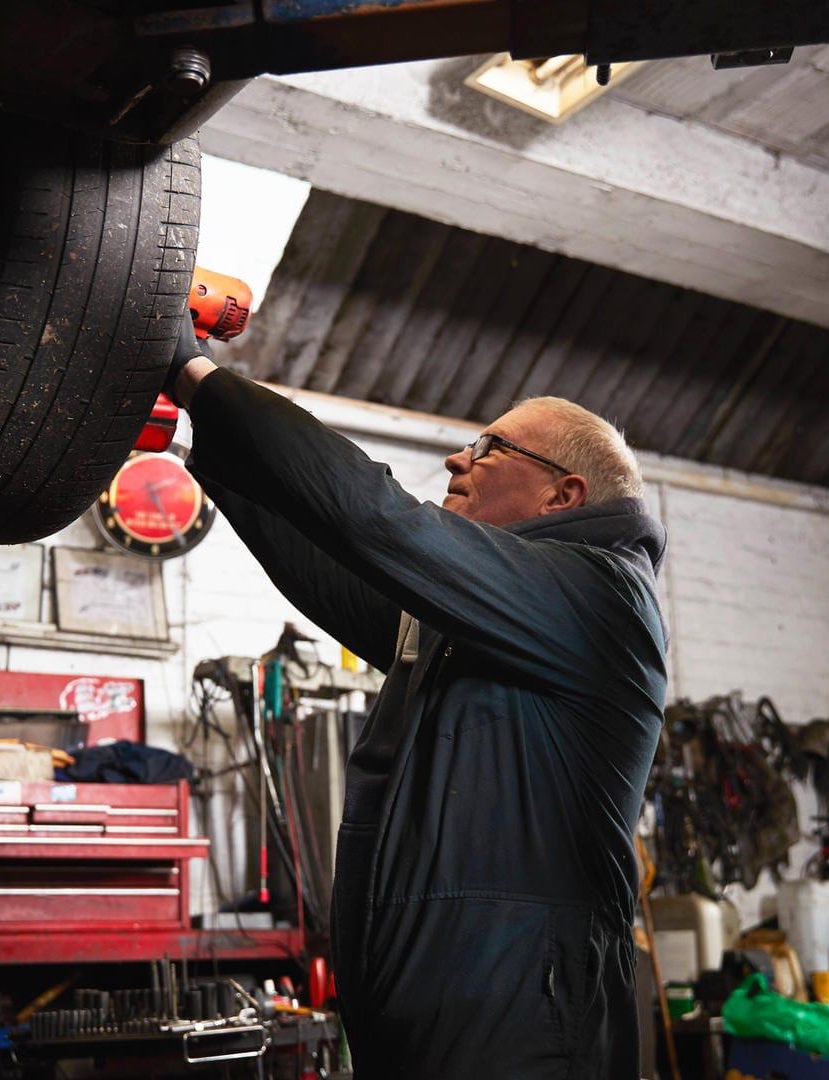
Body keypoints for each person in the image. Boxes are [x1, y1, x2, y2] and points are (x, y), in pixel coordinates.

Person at [168, 339, 666, 1079]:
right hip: (435, 1025)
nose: (459, 462)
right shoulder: (471, 620)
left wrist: (201, 377)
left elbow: (380, 518)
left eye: (490, 448)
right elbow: (340, 564)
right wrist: (205, 439)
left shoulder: (600, 595)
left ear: (563, 495)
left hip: (522, 1034)